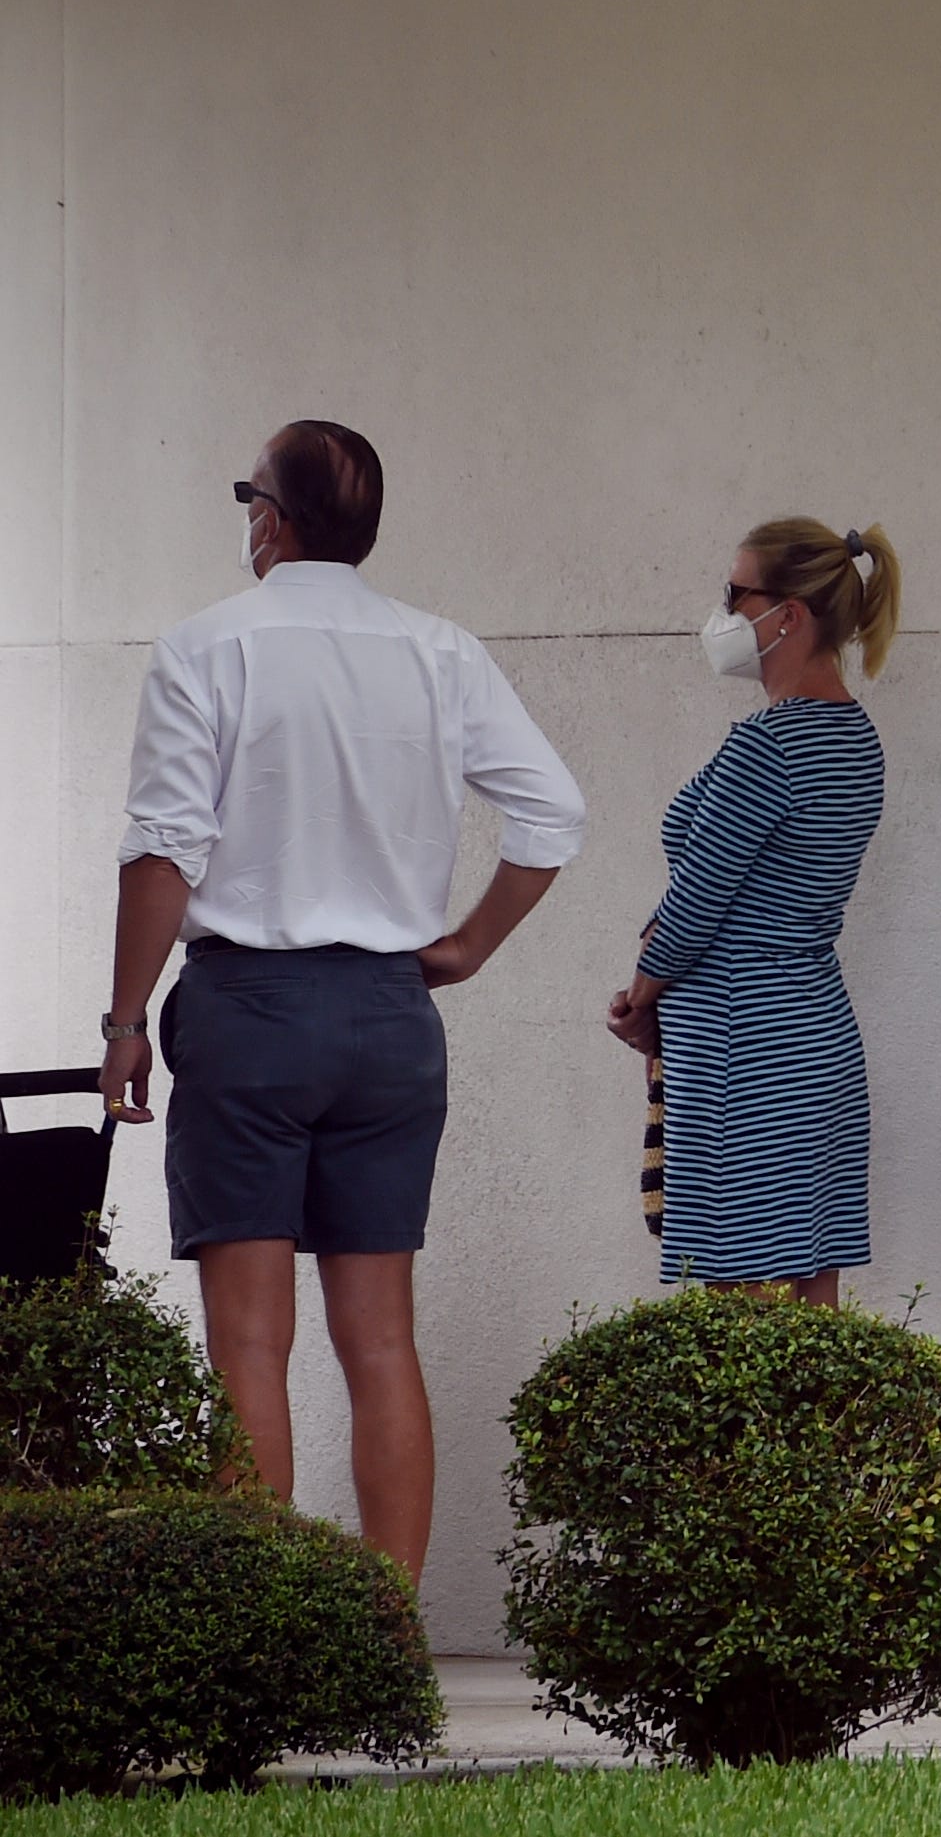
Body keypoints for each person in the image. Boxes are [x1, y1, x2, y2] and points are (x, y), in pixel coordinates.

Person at [97, 420, 585, 1588]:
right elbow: (553, 813)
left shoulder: (207, 648)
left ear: (272, 516)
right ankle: (386, 1641)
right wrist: (465, 944)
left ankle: (270, 1638)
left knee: (250, 1346)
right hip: (388, 1017)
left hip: (251, 1009)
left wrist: (122, 1022)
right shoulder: (440, 652)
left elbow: (164, 850)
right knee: (380, 1341)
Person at [601, 520, 901, 1304]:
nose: (722, 610)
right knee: (810, 1305)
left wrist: (642, 995)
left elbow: (698, 902)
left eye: (735, 593)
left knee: (736, 1308)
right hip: (814, 1033)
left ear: (790, 615)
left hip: (744, 1046)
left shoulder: (765, 748)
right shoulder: (856, 740)